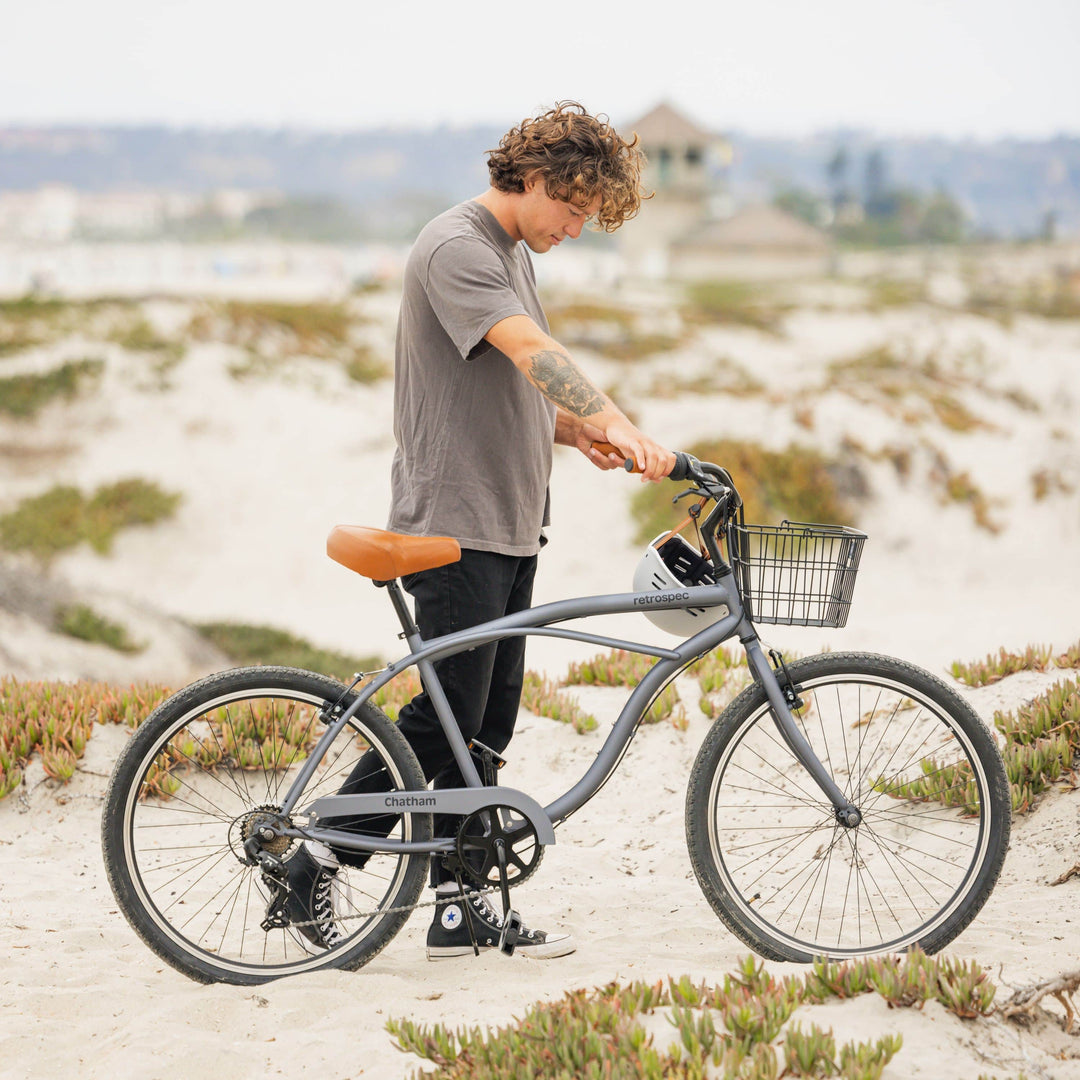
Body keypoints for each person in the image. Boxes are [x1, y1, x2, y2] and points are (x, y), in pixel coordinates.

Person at [282, 101, 676, 960]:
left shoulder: (507, 251)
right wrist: (619, 416)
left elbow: (502, 388)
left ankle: (460, 911)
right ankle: (312, 857)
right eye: (573, 209)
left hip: (506, 519)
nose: (577, 227)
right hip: (454, 520)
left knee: (483, 729)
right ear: (533, 180)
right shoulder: (459, 245)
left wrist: (578, 434)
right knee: (447, 718)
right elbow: (532, 352)